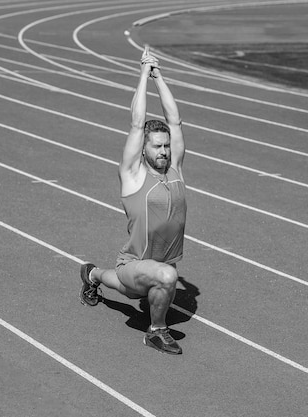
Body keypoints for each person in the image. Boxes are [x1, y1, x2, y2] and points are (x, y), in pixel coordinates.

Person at [79, 46, 187, 355]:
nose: (164, 151)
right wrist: (142, 74)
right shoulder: (133, 176)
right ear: (143, 150)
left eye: (166, 146)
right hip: (138, 264)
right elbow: (137, 124)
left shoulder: (176, 169)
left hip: (148, 267)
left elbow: (175, 121)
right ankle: (156, 331)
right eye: (156, 147)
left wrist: (159, 76)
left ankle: (91, 274)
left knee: (122, 287)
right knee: (166, 277)